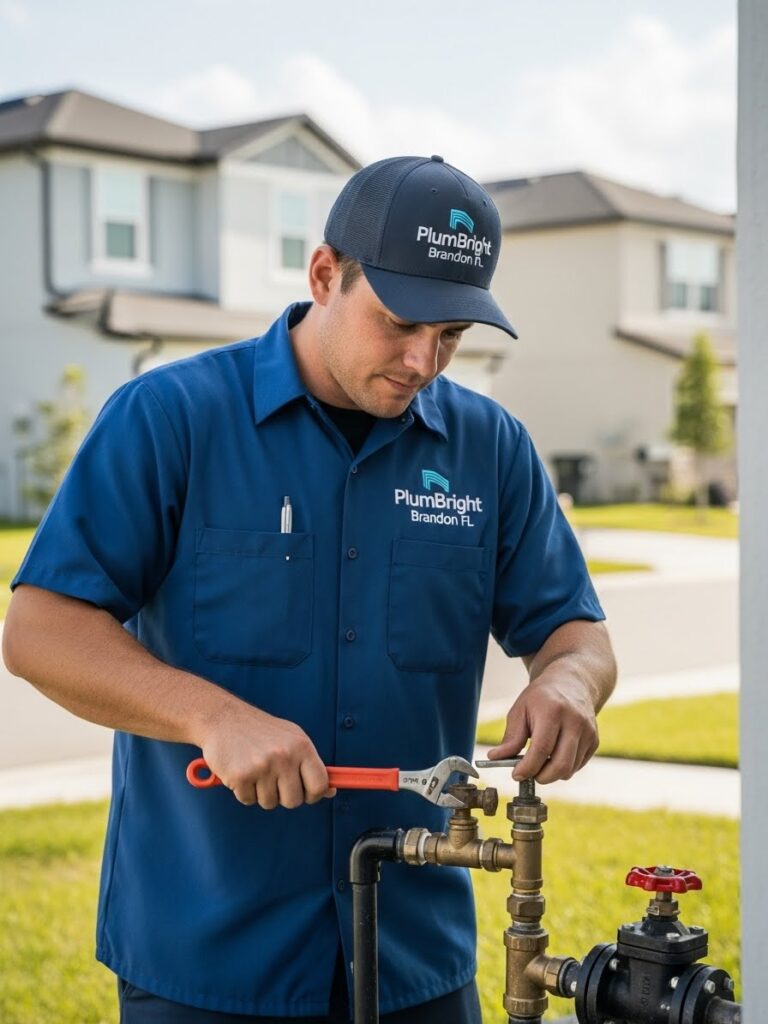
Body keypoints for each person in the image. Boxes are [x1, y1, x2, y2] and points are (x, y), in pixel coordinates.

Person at [2, 155, 616, 1023]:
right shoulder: (170, 417)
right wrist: (211, 716)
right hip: (209, 956)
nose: (423, 361)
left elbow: (575, 633)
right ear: (324, 274)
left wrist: (567, 683)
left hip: (417, 961)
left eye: (451, 336)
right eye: (401, 323)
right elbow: (39, 630)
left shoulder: (492, 449)